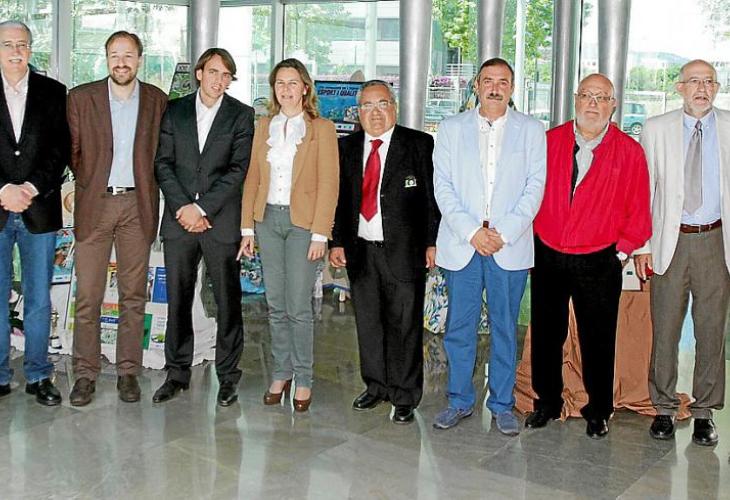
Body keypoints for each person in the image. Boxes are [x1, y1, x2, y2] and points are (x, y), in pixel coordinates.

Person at [526, 73, 651, 439]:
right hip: (548, 252)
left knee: (598, 337)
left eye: (602, 97)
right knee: (546, 333)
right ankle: (546, 402)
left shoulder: (629, 152)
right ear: (575, 99)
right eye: (587, 95)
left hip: (599, 259)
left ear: (614, 105)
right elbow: (529, 192)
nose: (593, 104)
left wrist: (621, 252)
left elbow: (639, 210)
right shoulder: (549, 142)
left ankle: (599, 409)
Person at [432, 58, 546, 435]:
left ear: (512, 88)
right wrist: (472, 232)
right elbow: (443, 186)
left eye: (503, 82)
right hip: (462, 243)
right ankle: (459, 400)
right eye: (488, 81)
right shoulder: (450, 129)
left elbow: (535, 187)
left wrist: (503, 233)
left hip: (508, 246)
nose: (495, 88)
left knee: (504, 329)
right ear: (477, 85)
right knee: (459, 327)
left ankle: (501, 404)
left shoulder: (532, 131)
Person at [329, 80, 440, 424]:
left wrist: (432, 241)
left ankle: (405, 395)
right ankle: (375, 386)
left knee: (405, 325)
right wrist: (336, 242)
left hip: (406, 251)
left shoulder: (418, 144)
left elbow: (432, 198)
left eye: (382, 104)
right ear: (358, 112)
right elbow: (340, 199)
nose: (375, 113)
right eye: (367, 106)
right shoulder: (346, 147)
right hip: (361, 250)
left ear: (394, 107)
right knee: (368, 323)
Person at [67, 30, 167, 406]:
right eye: (114, 55)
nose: (121, 62)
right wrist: (90, 184)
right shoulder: (82, 98)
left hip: (137, 206)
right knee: (88, 296)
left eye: (128, 55)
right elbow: (73, 152)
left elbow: (161, 153)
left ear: (139, 59)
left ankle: (128, 372)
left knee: (133, 296)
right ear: (106, 58)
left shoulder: (157, 100)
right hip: (96, 204)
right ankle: (85, 374)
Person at [635, 59, 730, 446]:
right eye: (694, 82)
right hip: (669, 242)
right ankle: (663, 407)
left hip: (716, 241)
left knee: (711, 330)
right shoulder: (656, 129)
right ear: (679, 88)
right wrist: (643, 245)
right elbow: (644, 191)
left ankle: (705, 411)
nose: (702, 89)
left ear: (717, 88)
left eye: (709, 82)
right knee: (666, 329)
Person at [153, 48, 254, 406]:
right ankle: (177, 372)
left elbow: (238, 170)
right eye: (213, 72)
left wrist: (201, 208)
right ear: (199, 73)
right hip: (179, 220)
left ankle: (227, 376)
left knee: (228, 300)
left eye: (226, 75)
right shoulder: (174, 110)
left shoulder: (241, 115)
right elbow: (162, 163)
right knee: (178, 298)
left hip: (219, 220)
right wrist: (184, 207)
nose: (219, 81)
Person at [240, 58, 338, 412]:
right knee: (275, 304)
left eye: (292, 82)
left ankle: (304, 378)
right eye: (280, 83)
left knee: (298, 306)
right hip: (267, 221)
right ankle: (281, 372)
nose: (286, 89)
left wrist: (320, 234)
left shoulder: (321, 129)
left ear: (305, 87)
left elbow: (329, 183)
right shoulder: (264, 125)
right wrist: (247, 227)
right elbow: (252, 178)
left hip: (303, 227)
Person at [0, 20, 68, 405]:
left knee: (39, 297)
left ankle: (39, 374)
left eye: (22, 44)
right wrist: (4, 189)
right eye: (7, 44)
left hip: (38, 208)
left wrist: (28, 188)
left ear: (30, 48)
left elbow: (60, 149)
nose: (15, 51)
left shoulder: (53, 92)